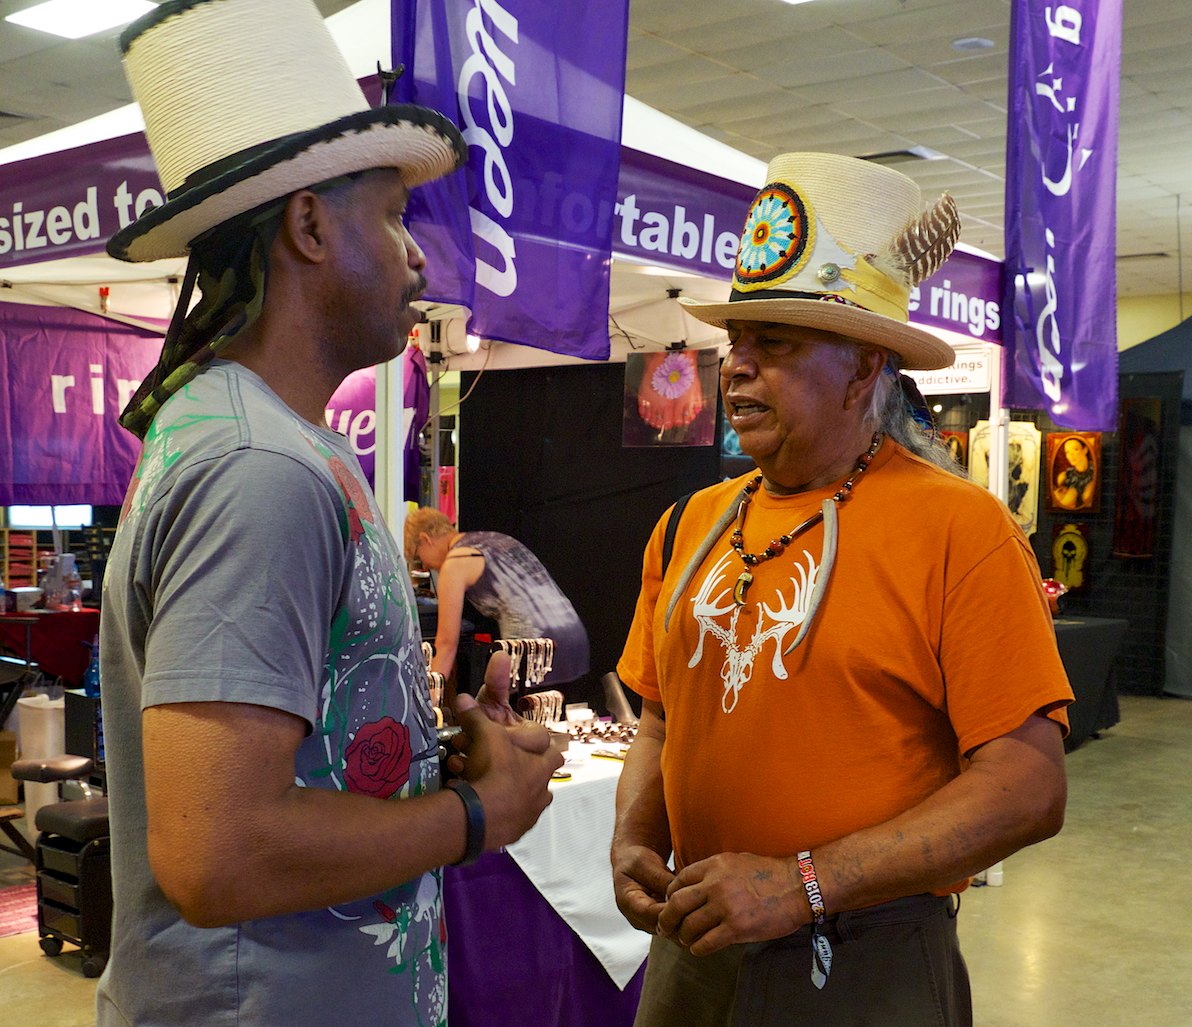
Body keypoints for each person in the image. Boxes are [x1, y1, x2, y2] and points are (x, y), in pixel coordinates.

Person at [95, 3, 563, 1024]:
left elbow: (287, 759)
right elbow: (217, 853)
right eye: (392, 217)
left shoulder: (270, 439)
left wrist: (431, 756)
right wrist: (473, 815)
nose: (416, 257)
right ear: (308, 227)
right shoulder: (258, 466)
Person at [610, 152, 1072, 1026]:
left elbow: (1027, 785)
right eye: (737, 343)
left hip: (864, 964)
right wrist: (636, 834)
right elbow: (660, 719)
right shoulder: (688, 525)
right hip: (693, 950)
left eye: (775, 344)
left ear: (863, 368)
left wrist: (801, 885)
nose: (737, 367)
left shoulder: (961, 531)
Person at [405, 507, 590, 694]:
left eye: (418, 558)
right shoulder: (494, 539)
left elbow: (446, 644)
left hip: (535, 652)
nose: (425, 566)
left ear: (425, 539)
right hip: (573, 639)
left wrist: (427, 701)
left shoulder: (456, 562)